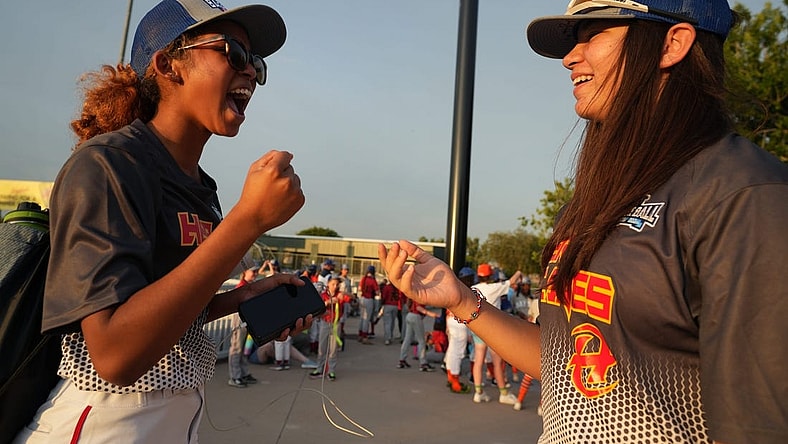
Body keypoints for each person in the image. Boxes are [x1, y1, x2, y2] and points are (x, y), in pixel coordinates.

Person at [379, 1, 788, 442]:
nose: (571, 57)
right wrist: (460, 300)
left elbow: (758, 424)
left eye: (595, 34)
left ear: (673, 44)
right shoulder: (595, 201)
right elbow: (568, 363)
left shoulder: (742, 195)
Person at [14, 1, 311, 442]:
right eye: (234, 52)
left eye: (257, 63)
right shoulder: (108, 165)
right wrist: (246, 222)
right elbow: (115, 353)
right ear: (168, 64)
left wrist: (241, 299)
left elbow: (162, 304)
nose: (251, 72)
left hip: (176, 418)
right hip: (107, 421)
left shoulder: (199, 186)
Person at [470, 264, 522, 405]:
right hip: (493, 329)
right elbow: (511, 282)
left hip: (477, 327)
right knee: (497, 362)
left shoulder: (473, 289)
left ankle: (478, 392)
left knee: (478, 360)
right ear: (491, 276)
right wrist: (518, 272)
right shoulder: (494, 288)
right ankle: (503, 393)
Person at [309, 277, 347, 381]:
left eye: (337, 284)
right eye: (333, 284)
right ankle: (319, 368)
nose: (335, 286)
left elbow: (350, 298)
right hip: (325, 323)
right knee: (322, 347)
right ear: (328, 284)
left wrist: (343, 295)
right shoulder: (323, 295)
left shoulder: (339, 295)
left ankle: (331, 370)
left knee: (333, 349)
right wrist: (327, 303)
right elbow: (318, 309)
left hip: (335, 324)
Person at [227, 268, 259, 387]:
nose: (256, 274)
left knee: (246, 347)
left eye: (256, 272)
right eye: (253, 272)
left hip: (248, 319)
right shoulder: (241, 287)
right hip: (240, 319)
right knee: (236, 347)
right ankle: (235, 376)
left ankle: (244, 373)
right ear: (245, 272)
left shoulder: (250, 286)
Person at [396, 295, 440, 372]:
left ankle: (402, 359)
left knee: (407, 339)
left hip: (410, 315)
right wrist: (431, 314)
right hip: (416, 316)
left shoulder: (412, 295)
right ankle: (423, 363)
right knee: (421, 341)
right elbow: (418, 307)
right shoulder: (419, 296)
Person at [357, 265, 379, 344]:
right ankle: (364, 336)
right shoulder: (372, 280)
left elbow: (359, 289)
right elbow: (377, 292)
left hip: (362, 298)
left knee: (362, 318)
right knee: (366, 319)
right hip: (369, 299)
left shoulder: (363, 278)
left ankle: (360, 335)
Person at [380, 279, 402, 345]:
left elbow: (384, 297)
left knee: (387, 323)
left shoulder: (387, 287)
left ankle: (387, 338)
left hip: (388, 305)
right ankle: (391, 336)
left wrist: (381, 304)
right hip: (395, 306)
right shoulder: (397, 288)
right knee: (392, 322)